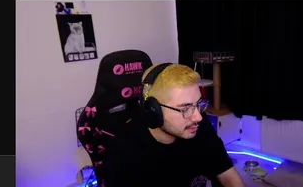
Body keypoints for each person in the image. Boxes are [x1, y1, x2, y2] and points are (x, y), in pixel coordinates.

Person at [104, 63, 245, 187]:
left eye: (198, 104)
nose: (198, 117)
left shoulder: (200, 127)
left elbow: (227, 174)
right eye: (185, 109)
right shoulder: (124, 152)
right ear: (154, 110)